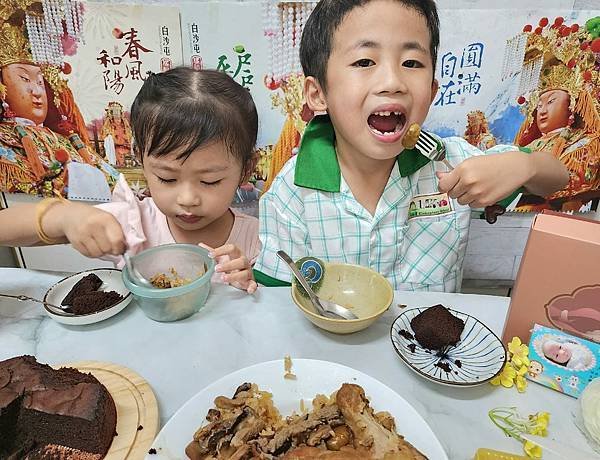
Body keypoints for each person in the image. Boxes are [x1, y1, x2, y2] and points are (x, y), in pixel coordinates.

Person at [253, 0, 569, 291]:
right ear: (317, 93)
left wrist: (525, 166)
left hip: (434, 351)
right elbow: (278, 304)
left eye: (412, 63)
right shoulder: (290, 193)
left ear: (431, 91)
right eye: (364, 61)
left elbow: (557, 178)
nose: (392, 82)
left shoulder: (452, 162)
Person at [0, 68, 260, 293]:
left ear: (246, 169)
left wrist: (251, 282)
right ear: (141, 160)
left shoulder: (258, 239)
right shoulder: (133, 224)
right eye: (167, 178)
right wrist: (64, 218)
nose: (187, 199)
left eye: (210, 181)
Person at [0, 22, 114, 198]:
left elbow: (114, 184)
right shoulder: (4, 140)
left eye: (40, 83)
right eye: (24, 79)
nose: (37, 91)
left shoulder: (65, 141)